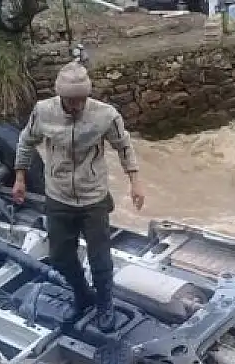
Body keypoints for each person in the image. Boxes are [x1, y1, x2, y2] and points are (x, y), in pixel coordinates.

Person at [12, 61, 145, 333]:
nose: (77, 106)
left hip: (93, 197)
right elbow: (26, 141)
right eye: (71, 101)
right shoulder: (43, 112)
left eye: (81, 100)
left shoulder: (105, 115)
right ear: (60, 96)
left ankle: (105, 303)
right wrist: (20, 177)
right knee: (60, 256)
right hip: (58, 195)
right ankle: (82, 293)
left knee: (100, 258)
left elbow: (124, 146)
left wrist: (135, 182)